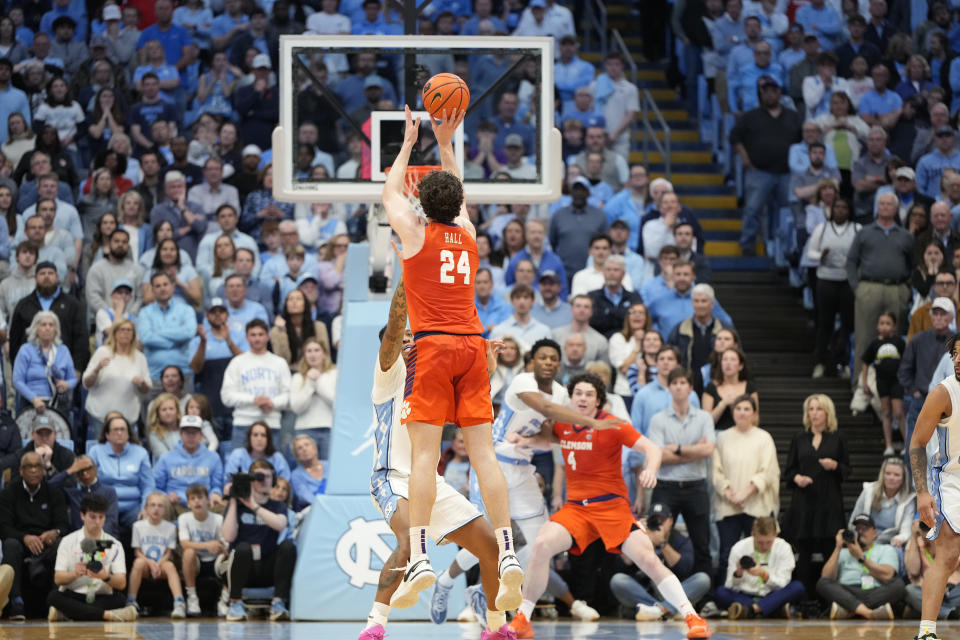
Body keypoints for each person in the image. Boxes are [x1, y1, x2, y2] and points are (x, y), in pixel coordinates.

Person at [382, 107, 522, 610]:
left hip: (435, 346)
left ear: (422, 203)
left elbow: (390, 192)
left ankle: (419, 557)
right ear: (458, 203)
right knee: (484, 454)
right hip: (473, 345)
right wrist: (445, 142)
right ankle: (507, 553)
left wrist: (406, 144)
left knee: (425, 455)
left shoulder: (415, 233)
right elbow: (456, 192)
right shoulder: (468, 235)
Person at [361, 282, 514, 640]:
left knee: (490, 548)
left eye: (417, 338)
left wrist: (487, 370)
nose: (413, 342)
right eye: (406, 339)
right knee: (407, 542)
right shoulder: (388, 374)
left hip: (430, 481)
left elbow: (461, 408)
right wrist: (408, 280)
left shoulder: (431, 380)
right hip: (391, 477)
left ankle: (495, 628)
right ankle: (374, 625)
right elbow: (394, 329)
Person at [506, 373, 711, 639]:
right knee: (542, 544)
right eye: (578, 393)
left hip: (611, 507)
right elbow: (550, 439)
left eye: (589, 394)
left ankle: (693, 618)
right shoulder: (563, 424)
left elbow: (653, 449)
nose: (582, 398)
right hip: (577, 508)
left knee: (648, 558)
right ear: (571, 397)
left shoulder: (612, 424)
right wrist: (525, 440)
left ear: (598, 400)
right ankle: (523, 618)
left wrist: (651, 469)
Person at [909, 331, 960, 640]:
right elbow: (917, 442)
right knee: (949, 552)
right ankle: (926, 632)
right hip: (950, 478)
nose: (958, 361)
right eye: (955, 355)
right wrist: (922, 492)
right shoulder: (944, 393)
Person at [782, 394, 850, 596]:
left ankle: (831, 599)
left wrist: (835, 465)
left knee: (830, 550)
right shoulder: (799, 438)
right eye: (811, 409)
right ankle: (803, 600)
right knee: (804, 554)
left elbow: (847, 470)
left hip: (829, 503)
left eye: (818, 409)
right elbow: (788, 471)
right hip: (804, 503)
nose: (814, 413)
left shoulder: (838, 437)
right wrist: (797, 479)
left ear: (827, 412)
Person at [729, 75, 802, 255]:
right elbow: (734, 137)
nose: (770, 95)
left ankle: (787, 249)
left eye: (773, 91)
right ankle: (747, 245)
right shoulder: (751, 116)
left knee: (788, 213)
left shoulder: (793, 116)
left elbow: (803, 141)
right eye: (766, 92)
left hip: (787, 172)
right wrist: (745, 158)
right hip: (759, 171)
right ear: (761, 94)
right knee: (752, 209)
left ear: (780, 93)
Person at [712, 395, 780, 581]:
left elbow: (768, 471)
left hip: (756, 506)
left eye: (746, 409)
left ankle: (757, 593)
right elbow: (716, 471)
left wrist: (745, 493)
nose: (742, 413)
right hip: (728, 506)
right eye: (738, 408)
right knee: (727, 553)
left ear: (754, 413)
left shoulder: (764, 438)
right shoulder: (723, 438)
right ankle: (724, 595)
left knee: (758, 553)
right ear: (733, 412)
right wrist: (729, 493)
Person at [847, 191, 914, 378]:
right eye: (881, 203)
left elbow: (913, 264)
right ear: (877, 207)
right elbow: (851, 261)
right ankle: (860, 387)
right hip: (869, 288)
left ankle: (895, 386)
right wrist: (857, 287)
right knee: (864, 337)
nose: (885, 207)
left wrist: (906, 289)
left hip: (896, 289)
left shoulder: (905, 236)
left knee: (895, 339)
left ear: (895, 208)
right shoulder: (864, 233)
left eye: (889, 204)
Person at [609, 502, 712, 621]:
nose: (657, 524)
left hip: (675, 592)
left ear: (670, 521)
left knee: (702, 579)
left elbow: (685, 568)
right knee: (617, 580)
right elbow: (623, 564)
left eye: (661, 520)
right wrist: (635, 537)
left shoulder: (678, 539)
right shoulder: (639, 536)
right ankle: (668, 610)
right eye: (654, 520)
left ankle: (659, 611)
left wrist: (663, 544)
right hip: (646, 592)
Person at [221, 460, 296, 621]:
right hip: (242, 568)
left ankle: (278, 603)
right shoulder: (237, 507)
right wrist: (234, 501)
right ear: (251, 480)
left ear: (273, 480)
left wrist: (253, 505)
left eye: (268, 477)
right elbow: (228, 537)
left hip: (267, 567)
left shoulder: (277, 505)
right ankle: (234, 603)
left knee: (288, 547)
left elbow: (280, 524)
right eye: (259, 477)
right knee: (242, 548)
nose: (264, 481)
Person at [0, 451, 69, 620]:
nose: (33, 470)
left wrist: (54, 532)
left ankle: (56, 603)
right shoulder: (9, 493)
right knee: (10, 544)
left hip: (47, 542)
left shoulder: (54, 492)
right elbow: (4, 527)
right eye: (28, 467)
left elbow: (63, 525)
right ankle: (16, 603)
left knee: (62, 544)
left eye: (37, 466)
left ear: (43, 470)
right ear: (21, 471)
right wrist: (24, 537)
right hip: (21, 542)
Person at [47, 494, 137, 622]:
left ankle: (67, 614)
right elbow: (58, 579)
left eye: (101, 517)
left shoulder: (115, 544)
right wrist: (74, 574)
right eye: (93, 517)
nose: (98, 522)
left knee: (120, 599)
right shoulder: (68, 541)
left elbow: (121, 583)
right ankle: (108, 615)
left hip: (101, 595)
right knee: (53, 597)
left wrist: (105, 576)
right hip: (74, 594)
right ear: (83, 516)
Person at [817, 514, 904, 619]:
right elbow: (826, 577)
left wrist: (861, 557)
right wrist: (838, 547)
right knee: (823, 583)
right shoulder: (844, 551)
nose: (860, 532)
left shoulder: (885, 549)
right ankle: (868, 613)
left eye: (865, 528)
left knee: (899, 585)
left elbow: (887, 575)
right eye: (857, 529)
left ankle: (850, 609)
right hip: (847, 590)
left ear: (874, 533)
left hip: (874, 591)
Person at [715, 516, 804, 619]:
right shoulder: (739, 548)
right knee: (720, 592)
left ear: (776, 534)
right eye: (760, 542)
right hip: (746, 595)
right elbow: (729, 585)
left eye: (769, 542)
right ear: (753, 534)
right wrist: (738, 574)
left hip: (773, 594)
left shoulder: (784, 548)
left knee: (798, 587)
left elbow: (783, 583)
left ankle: (751, 610)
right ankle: (774, 610)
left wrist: (764, 575)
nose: (764, 546)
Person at [221, 319, 291, 450]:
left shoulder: (280, 363)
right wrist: (254, 400)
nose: (257, 338)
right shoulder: (237, 362)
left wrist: (271, 403)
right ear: (247, 337)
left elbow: (288, 395)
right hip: (243, 423)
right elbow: (226, 396)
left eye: (261, 334)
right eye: (253, 335)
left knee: (271, 468)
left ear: (267, 336)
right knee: (240, 469)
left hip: (272, 424)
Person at [82, 319, 151, 437]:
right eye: (122, 330)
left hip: (128, 417)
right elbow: (86, 383)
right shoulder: (102, 352)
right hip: (100, 415)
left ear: (133, 335)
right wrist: (97, 369)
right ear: (114, 333)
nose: (125, 333)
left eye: (129, 330)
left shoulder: (140, 358)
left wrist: (141, 383)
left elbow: (146, 389)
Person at [88, 414, 154, 531]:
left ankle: (140, 550)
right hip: (105, 507)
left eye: (122, 429)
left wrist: (146, 507)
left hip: (134, 507)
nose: (119, 433)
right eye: (115, 430)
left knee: (147, 524)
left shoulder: (140, 453)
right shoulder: (96, 452)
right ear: (107, 435)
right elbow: (89, 483)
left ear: (128, 434)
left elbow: (148, 485)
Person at [128, 491, 185, 616]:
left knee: (170, 566)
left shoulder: (170, 527)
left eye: (160, 506)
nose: (156, 509)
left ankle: (179, 603)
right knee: (138, 562)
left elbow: (168, 553)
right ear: (146, 508)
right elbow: (137, 552)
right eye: (152, 505)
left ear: (165, 510)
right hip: (145, 564)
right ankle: (131, 601)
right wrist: (150, 563)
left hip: (162, 563)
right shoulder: (137, 526)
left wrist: (158, 564)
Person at [137, 272, 198, 385]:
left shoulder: (186, 310)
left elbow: (189, 333)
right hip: (154, 374)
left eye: (165, 284)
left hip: (183, 373)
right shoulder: (144, 312)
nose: (162, 288)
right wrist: (175, 341)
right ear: (152, 290)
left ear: (173, 287)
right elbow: (146, 338)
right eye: (158, 286)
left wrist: (157, 333)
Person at [153, 415, 224, 510]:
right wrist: (166, 496)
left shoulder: (213, 457)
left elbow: (217, 485)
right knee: (159, 505)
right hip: (175, 504)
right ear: (181, 434)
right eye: (187, 433)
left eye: (194, 433)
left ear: (201, 435)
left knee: (223, 507)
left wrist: (215, 493)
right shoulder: (166, 458)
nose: (191, 436)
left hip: (205, 504)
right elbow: (155, 486)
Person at [861, 312, 907, 455]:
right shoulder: (875, 344)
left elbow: (906, 361)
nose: (885, 326)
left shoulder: (899, 342)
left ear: (894, 327)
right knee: (886, 413)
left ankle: (908, 444)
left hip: (897, 381)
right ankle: (889, 445)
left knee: (899, 413)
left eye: (888, 324)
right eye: (882, 323)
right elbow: (865, 362)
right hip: (882, 382)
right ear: (877, 326)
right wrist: (864, 382)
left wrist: (906, 380)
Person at [177, 483, 224, 617]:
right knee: (189, 552)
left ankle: (225, 600)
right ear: (188, 503)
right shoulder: (184, 518)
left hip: (215, 560)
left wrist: (220, 547)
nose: (197, 501)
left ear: (208, 500)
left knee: (232, 556)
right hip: (195, 562)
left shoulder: (218, 519)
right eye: (192, 498)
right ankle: (192, 598)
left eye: (200, 497)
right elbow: (185, 544)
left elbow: (224, 543)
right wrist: (207, 545)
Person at [849, 456, 915, 546]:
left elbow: (906, 530)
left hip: (890, 544)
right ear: (882, 475)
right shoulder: (868, 490)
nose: (891, 478)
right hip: (865, 541)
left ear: (903, 479)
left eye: (896, 475)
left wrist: (898, 539)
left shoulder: (908, 499)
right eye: (888, 473)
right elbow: (853, 521)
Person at [289, 338, 337, 461]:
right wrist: (310, 384)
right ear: (304, 355)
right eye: (309, 351)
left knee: (328, 469)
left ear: (324, 353)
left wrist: (318, 382)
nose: (313, 354)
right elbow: (296, 407)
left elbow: (337, 403)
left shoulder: (335, 374)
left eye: (316, 350)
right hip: (304, 430)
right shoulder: (298, 377)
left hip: (329, 428)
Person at [63, 454, 120, 537]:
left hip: (105, 538)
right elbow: (50, 486)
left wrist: (95, 536)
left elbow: (111, 521)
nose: (85, 473)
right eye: (80, 470)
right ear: (76, 474)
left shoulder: (109, 491)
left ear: (95, 469)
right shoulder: (72, 494)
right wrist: (69, 471)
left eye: (88, 468)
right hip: (78, 540)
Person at [224, 421, 291, 484]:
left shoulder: (277, 458)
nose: (259, 439)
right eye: (255, 435)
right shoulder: (238, 455)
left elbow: (285, 483)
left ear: (268, 439)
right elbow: (228, 481)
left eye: (263, 435)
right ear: (249, 438)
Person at [290, 434, 326, 511]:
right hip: (313, 511)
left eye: (307, 445)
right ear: (297, 455)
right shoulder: (296, 475)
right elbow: (305, 498)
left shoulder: (330, 466)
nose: (304, 449)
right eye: (299, 448)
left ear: (314, 448)